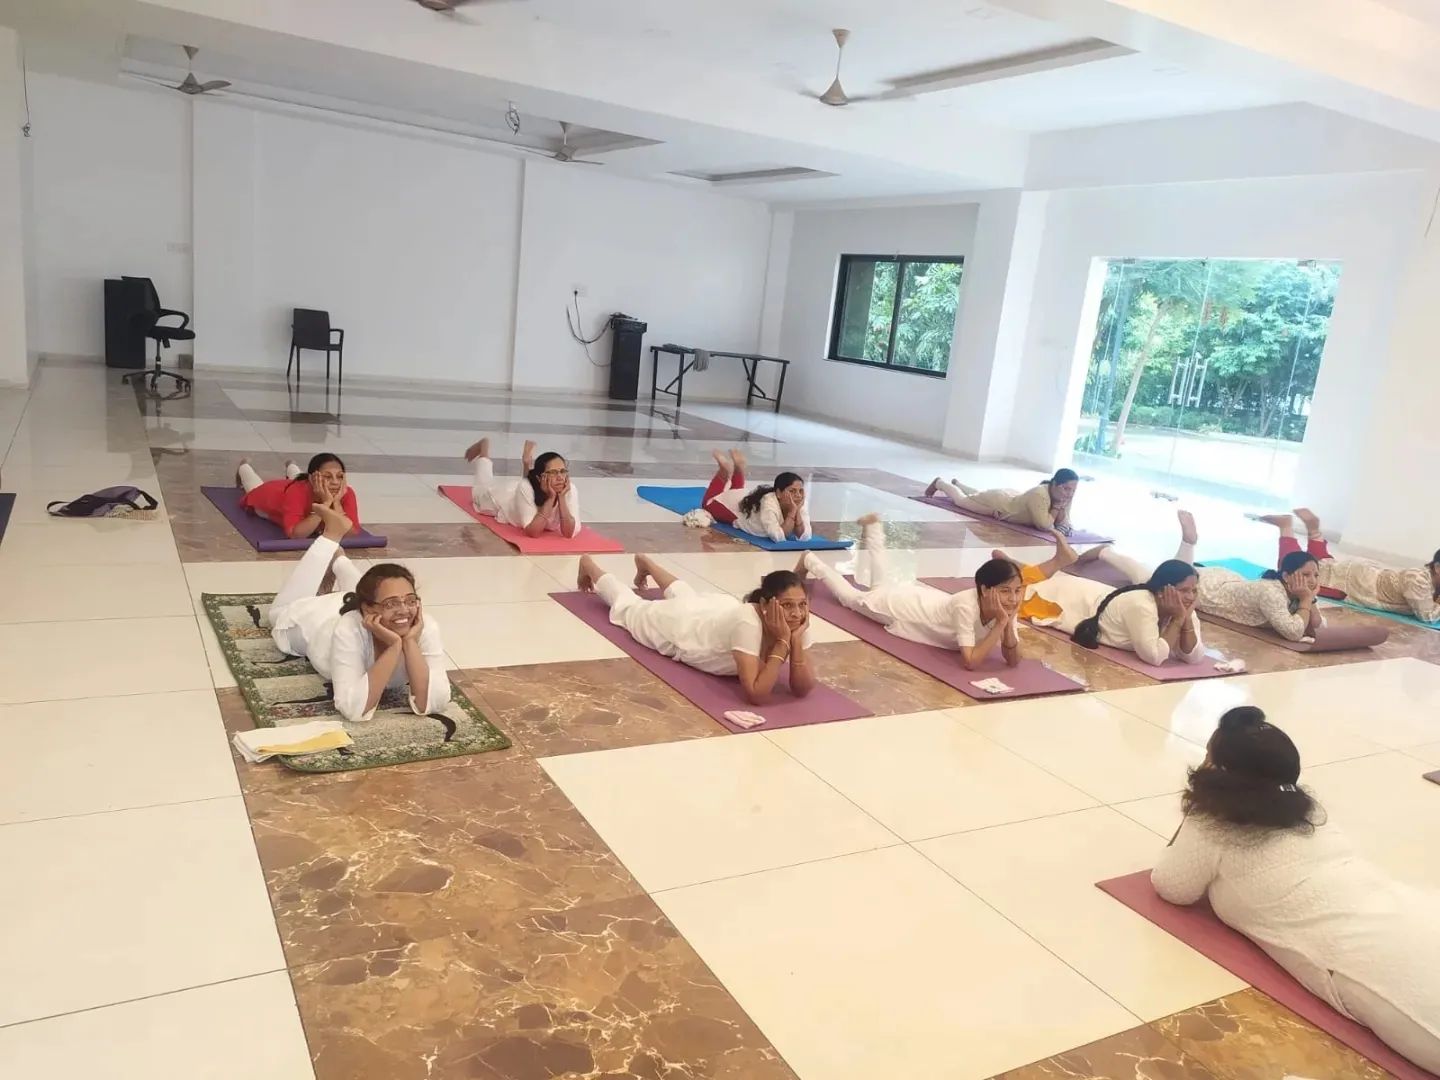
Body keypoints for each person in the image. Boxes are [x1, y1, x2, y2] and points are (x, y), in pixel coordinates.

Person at [1153, 707, 1440, 1073]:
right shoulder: (1309, 811)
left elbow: (1173, 886)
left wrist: (1196, 809)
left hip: (1369, 965)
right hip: (1407, 911)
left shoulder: (1213, 820)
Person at [266, 503, 449, 723]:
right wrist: (394, 646)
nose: (404, 610)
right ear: (368, 611)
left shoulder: (424, 626)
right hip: (317, 623)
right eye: (392, 604)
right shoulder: (348, 629)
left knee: (371, 590)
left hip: (358, 602)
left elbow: (436, 701)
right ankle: (330, 537)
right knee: (277, 615)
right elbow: (353, 710)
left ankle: (340, 560)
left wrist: (409, 642)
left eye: (410, 600)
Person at [577, 553, 815, 706]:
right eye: (786, 605)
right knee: (631, 609)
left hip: (715, 612)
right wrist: (784, 642)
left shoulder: (798, 621)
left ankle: (648, 564)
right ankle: (590, 565)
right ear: (764, 605)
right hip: (686, 630)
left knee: (688, 597)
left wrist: (795, 641)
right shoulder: (748, 622)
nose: (796, 613)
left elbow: (802, 688)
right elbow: (756, 694)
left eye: (802, 604)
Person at [799, 513, 1027, 669]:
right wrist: (1000, 623)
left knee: (880, 585)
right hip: (903, 609)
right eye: (1006, 590)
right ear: (985, 589)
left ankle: (874, 527)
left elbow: (1013, 660)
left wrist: (1007, 623)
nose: (1014, 597)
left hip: (922, 599)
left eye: (1018, 590)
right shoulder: (966, 606)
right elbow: (969, 662)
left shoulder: (1006, 604)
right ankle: (810, 559)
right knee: (851, 599)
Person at [1012, 530, 1205, 664]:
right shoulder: (1141, 605)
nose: (1190, 597)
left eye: (1193, 591)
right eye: (1184, 590)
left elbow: (1193, 657)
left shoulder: (1183, 609)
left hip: (1096, 596)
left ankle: (1017, 567)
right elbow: (1154, 657)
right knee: (1019, 598)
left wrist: (1185, 618)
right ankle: (1023, 567)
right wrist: (1179, 620)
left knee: (1026, 587)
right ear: (1164, 590)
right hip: (1073, 599)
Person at [1259, 509, 1440, 623]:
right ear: (1437, 567)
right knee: (1294, 574)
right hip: (1361, 585)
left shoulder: (1424, 577)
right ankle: (1286, 527)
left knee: (1324, 566)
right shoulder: (1418, 580)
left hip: (1365, 576)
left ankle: (1314, 531)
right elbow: (1428, 616)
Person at [1170, 510, 1326, 641]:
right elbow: (1294, 632)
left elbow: (1319, 626)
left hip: (1229, 580)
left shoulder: (1298, 590)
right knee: (1174, 582)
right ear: (1286, 576)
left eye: (1316, 575)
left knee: (1180, 576)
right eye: (1305, 575)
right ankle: (1188, 542)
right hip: (1211, 590)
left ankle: (1188, 546)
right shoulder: (1271, 593)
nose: (1312, 580)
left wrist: (1310, 598)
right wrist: (1307, 599)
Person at [464, 436, 580, 539]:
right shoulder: (526, 487)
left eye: (563, 471)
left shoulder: (570, 490)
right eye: (553, 472)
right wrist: (550, 499)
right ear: (541, 478)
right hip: (505, 500)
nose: (560, 477)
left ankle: (526, 464)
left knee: (526, 483)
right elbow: (533, 532)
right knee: (479, 493)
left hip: (524, 490)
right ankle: (484, 449)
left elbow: (568, 533)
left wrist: (561, 498)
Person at [237, 453, 360, 540]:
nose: (335, 482)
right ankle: (243, 467)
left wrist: (337, 503)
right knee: (253, 488)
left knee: (299, 478)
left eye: (339, 476)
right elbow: (295, 535)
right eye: (327, 476)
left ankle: (291, 465)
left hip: (301, 485)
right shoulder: (295, 492)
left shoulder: (346, 492)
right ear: (312, 479)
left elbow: (351, 533)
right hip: (271, 495)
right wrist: (325, 504)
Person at [925, 468, 1080, 535]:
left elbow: (1065, 523)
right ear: (1054, 484)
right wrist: (1057, 508)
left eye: (1073, 490)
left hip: (1009, 498)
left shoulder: (1064, 496)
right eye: (1066, 489)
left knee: (978, 495)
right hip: (999, 505)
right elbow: (1045, 525)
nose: (1070, 494)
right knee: (962, 501)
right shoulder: (1040, 495)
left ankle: (958, 484)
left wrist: (1062, 513)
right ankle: (940, 483)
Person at [701, 448, 810, 542]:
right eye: (792, 491)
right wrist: (792, 512)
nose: (797, 495)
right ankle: (724, 471)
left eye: (800, 491)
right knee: (708, 504)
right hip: (732, 506)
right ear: (778, 493)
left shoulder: (798, 502)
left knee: (737, 490)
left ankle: (735, 469)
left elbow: (805, 536)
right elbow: (778, 537)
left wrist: (797, 511)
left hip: (742, 497)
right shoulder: (769, 503)